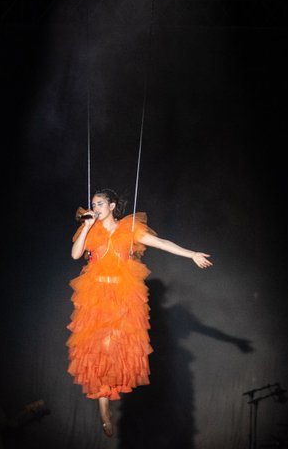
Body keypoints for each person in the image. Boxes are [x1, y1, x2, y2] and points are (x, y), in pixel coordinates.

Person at [67, 187, 213, 438]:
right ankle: (103, 404)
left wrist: (191, 254)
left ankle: (108, 397)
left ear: (112, 206)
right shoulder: (90, 229)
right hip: (96, 295)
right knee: (100, 346)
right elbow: (75, 254)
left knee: (116, 346)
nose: (96, 207)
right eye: (93, 203)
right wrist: (88, 227)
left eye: (100, 203)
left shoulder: (129, 229)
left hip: (122, 294)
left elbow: (161, 243)